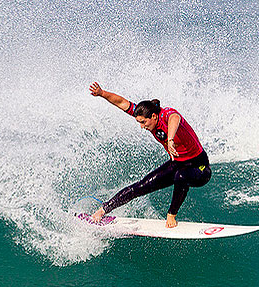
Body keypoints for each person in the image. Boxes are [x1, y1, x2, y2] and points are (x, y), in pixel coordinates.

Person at [89, 82, 212, 228]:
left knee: (181, 176)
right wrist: (102, 93)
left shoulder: (166, 114)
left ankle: (171, 214)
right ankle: (103, 210)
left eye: (143, 122)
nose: (142, 126)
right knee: (140, 186)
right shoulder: (146, 113)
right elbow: (122, 103)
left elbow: (175, 118)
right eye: (139, 122)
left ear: (153, 116)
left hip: (199, 167)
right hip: (178, 163)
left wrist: (171, 138)